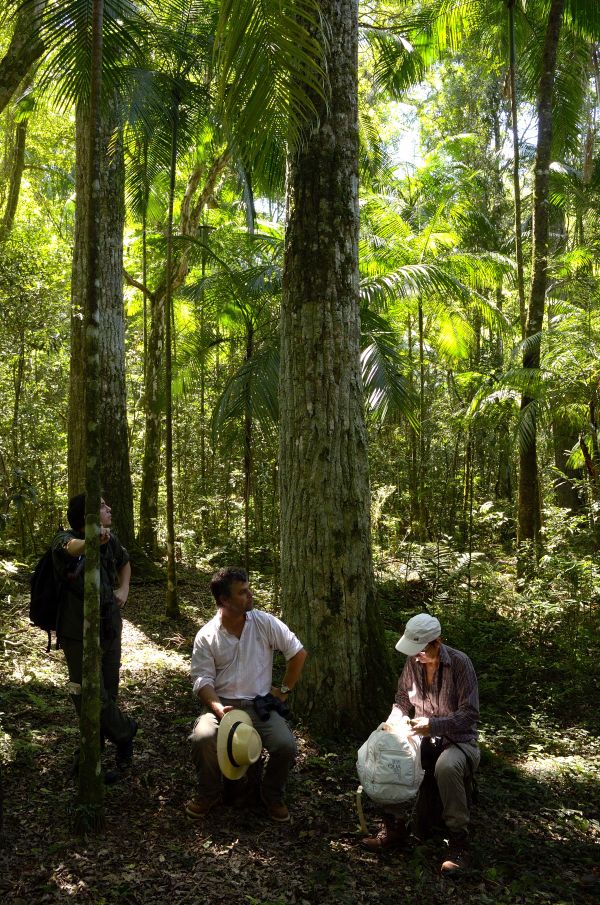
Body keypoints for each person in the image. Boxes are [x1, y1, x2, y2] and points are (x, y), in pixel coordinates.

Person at [187, 567, 307, 823]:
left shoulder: (264, 623)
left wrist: (283, 690)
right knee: (203, 737)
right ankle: (209, 792)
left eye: (248, 589)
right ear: (224, 600)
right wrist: (217, 707)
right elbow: (202, 680)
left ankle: (271, 795)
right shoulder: (207, 636)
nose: (250, 595)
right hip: (222, 705)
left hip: (259, 704)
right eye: (242, 592)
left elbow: (297, 653)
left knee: (285, 745)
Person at [362, 612, 480, 875]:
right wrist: (396, 718)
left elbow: (470, 714)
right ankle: (394, 825)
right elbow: (403, 698)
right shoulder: (413, 662)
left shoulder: (460, 664)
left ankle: (459, 841)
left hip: (457, 741)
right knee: (386, 755)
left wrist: (434, 725)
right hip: (420, 737)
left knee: (447, 768)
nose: (416, 656)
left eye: (421, 651)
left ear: (436, 643)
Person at [51, 493, 138, 778]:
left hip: (110, 626)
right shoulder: (65, 538)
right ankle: (125, 734)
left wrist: (123, 589)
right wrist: (91, 540)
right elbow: (70, 548)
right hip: (78, 631)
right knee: (88, 693)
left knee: (107, 693)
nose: (109, 507)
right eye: (102, 505)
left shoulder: (110, 539)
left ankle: (90, 761)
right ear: (87, 514)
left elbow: (124, 562)